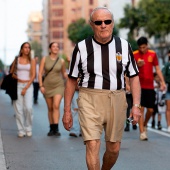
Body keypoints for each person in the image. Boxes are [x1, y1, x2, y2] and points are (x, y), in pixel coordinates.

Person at [62, 7, 141, 170]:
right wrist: (67, 111)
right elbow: (71, 80)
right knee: (92, 144)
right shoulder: (82, 48)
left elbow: (133, 76)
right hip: (89, 99)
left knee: (114, 149)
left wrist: (136, 105)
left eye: (107, 21)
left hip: (117, 99)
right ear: (92, 25)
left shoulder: (124, 46)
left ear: (112, 24)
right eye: (98, 22)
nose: (103, 25)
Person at [133, 37, 166, 140]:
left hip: (150, 86)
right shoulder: (134, 55)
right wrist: (137, 65)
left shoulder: (153, 54)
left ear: (147, 45)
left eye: (144, 47)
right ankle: (142, 133)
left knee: (151, 110)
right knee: (141, 109)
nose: (142, 49)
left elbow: (157, 69)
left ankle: (145, 123)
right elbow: (130, 70)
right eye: (140, 47)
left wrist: (162, 82)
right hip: (138, 86)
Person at [38, 42, 67, 136]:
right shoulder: (44, 59)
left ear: (58, 49)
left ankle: (56, 128)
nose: (55, 48)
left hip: (58, 85)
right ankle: (51, 128)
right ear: (50, 48)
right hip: (47, 86)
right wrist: (41, 85)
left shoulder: (61, 61)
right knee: (50, 108)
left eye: (57, 46)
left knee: (56, 106)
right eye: (53, 46)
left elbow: (64, 74)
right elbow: (40, 73)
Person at [12, 42, 36, 138]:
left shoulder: (32, 60)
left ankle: (28, 128)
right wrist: (18, 79)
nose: (27, 49)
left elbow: (33, 75)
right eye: (25, 47)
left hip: (28, 85)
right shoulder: (16, 59)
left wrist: (26, 87)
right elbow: (11, 73)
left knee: (28, 108)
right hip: (17, 85)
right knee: (18, 109)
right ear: (21, 49)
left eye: (28, 47)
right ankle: (21, 130)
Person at [162, 49, 170, 132]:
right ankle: (168, 126)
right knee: (168, 108)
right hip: (168, 88)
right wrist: (163, 84)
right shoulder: (167, 65)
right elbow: (162, 75)